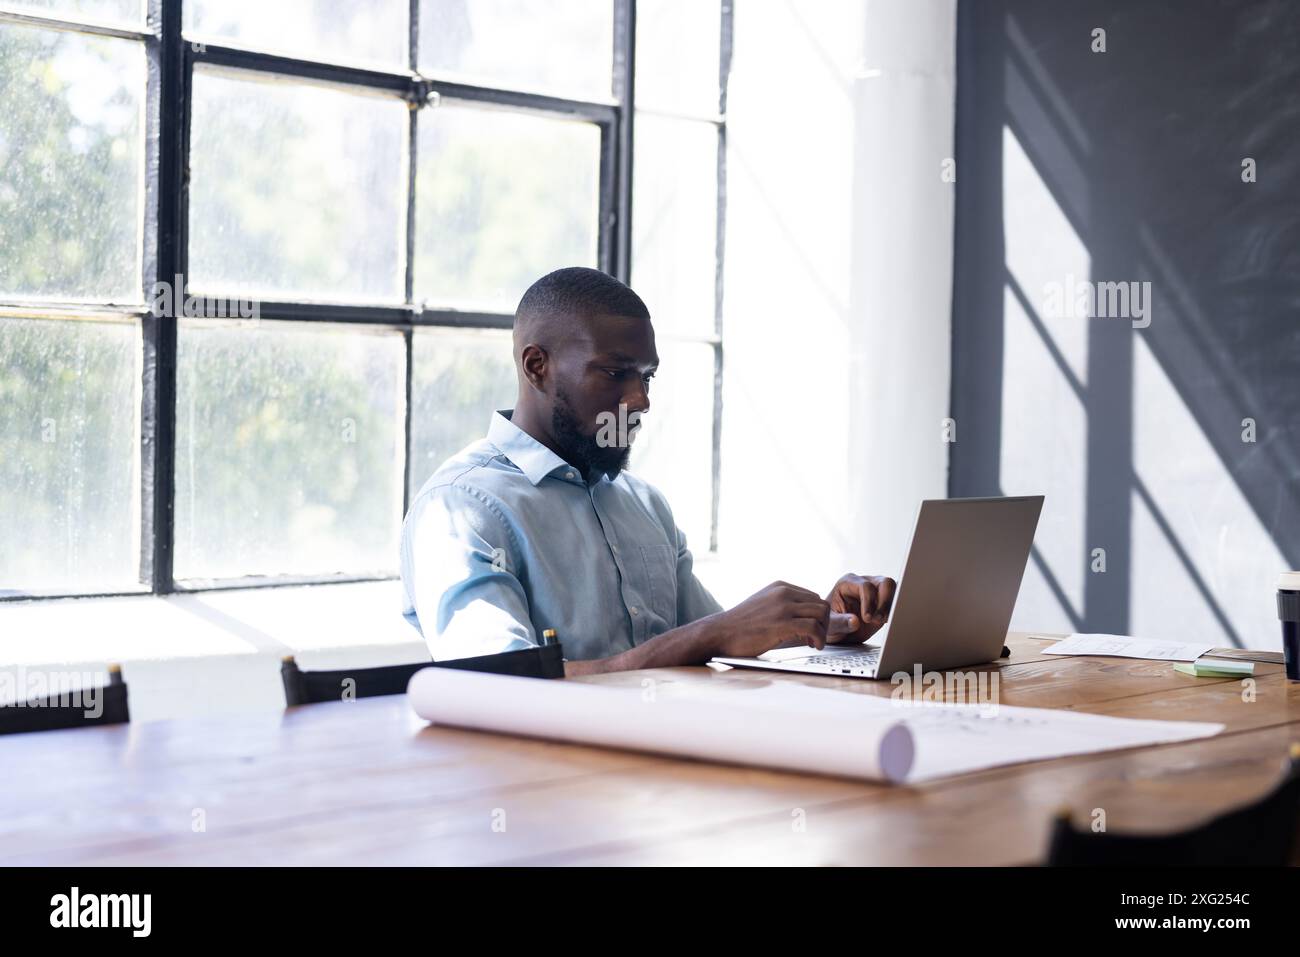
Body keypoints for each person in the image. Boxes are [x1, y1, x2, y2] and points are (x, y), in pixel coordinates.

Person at [400, 267, 895, 676]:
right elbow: (499, 682)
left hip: (664, 777)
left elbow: (716, 648)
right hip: (544, 785)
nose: (640, 400)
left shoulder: (644, 505)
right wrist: (714, 633)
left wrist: (822, 626)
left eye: (647, 376)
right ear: (536, 367)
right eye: (616, 374)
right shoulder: (461, 508)